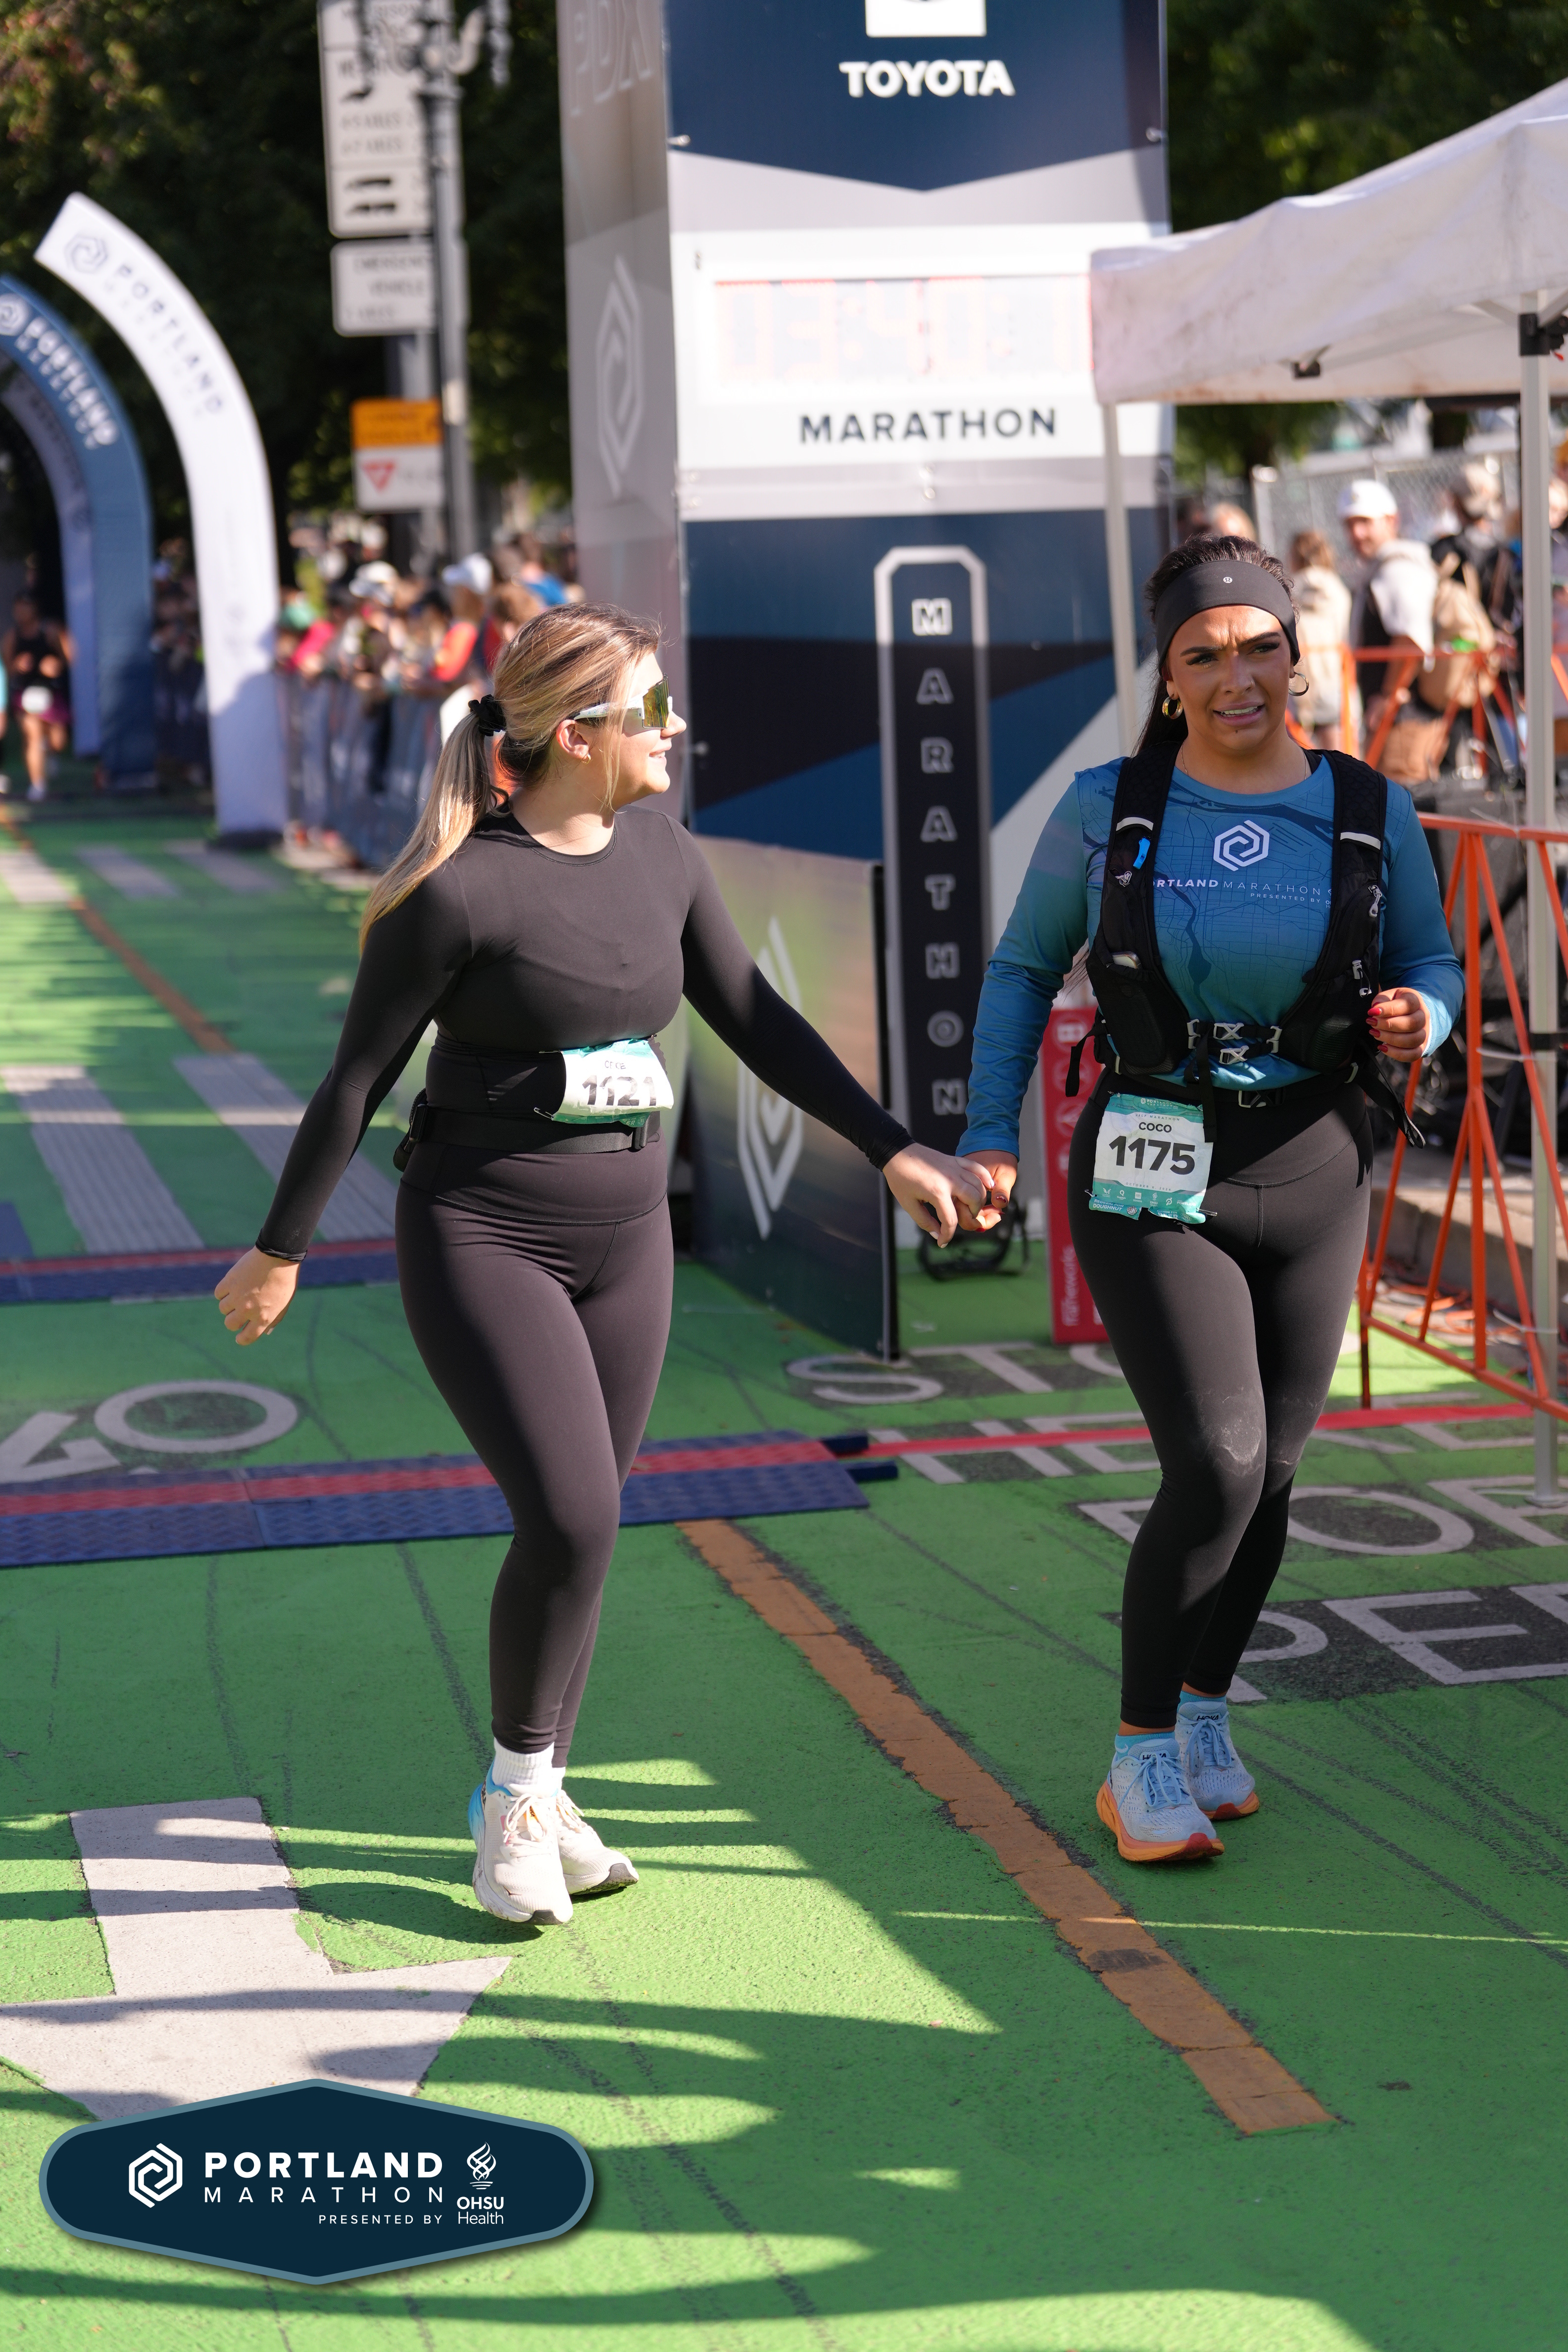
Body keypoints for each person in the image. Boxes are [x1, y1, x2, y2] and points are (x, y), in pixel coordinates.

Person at [211, 602, 982, 1926]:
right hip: (483, 1232)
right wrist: (279, 1250)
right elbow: (355, 1081)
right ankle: (513, 1802)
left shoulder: (666, 855)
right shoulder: (458, 889)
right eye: (654, 708)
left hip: (631, 1238)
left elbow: (757, 1018)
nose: (677, 727)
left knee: (586, 1522)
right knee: (572, 1514)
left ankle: (542, 1783)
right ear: (576, 734)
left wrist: (891, 1146)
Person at [957, 536, 1463, 1865]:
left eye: (1259, 647)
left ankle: (1200, 1711)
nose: (1238, 675)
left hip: (1315, 1158)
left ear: (1296, 653)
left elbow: (1429, 955)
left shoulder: (1367, 805)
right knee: (1218, 1462)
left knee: (1273, 1472)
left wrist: (1422, 1014)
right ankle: (1136, 1756)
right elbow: (1020, 971)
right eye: (1204, 654)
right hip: (1150, 1157)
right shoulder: (1106, 803)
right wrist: (986, 1135)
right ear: (1169, 676)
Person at [1339, 480, 1441, 784]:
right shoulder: (1382, 568)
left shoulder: (1400, 569)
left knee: (1403, 803)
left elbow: (1411, 639)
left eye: (1365, 522)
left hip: (1406, 722)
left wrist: (1388, 697)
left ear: (1391, 521)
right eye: (1350, 524)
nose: (1357, 533)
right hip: (1396, 718)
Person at [1287, 529, 1355, 750]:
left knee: (1301, 749)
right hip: (1334, 675)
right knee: (1337, 748)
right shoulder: (1338, 589)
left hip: (1301, 677)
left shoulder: (1290, 590)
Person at [2, 591, 73, 802]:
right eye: (18, 607)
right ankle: (38, 785)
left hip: (51, 693)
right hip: (26, 694)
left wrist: (56, 664)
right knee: (32, 735)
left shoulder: (50, 630)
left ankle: (50, 752)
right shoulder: (12, 636)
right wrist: (17, 666)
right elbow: (8, 668)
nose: (21, 612)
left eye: (26, 606)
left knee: (58, 741)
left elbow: (69, 657)